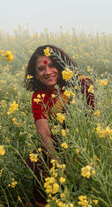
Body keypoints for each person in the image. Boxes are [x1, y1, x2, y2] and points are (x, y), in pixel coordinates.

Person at [24, 45, 94, 206]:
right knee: (41, 166)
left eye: (52, 65)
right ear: (35, 74)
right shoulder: (39, 96)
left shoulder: (81, 84)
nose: (47, 72)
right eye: (41, 69)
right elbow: (44, 133)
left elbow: (94, 118)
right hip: (56, 147)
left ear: (61, 64)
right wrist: (57, 163)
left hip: (85, 143)